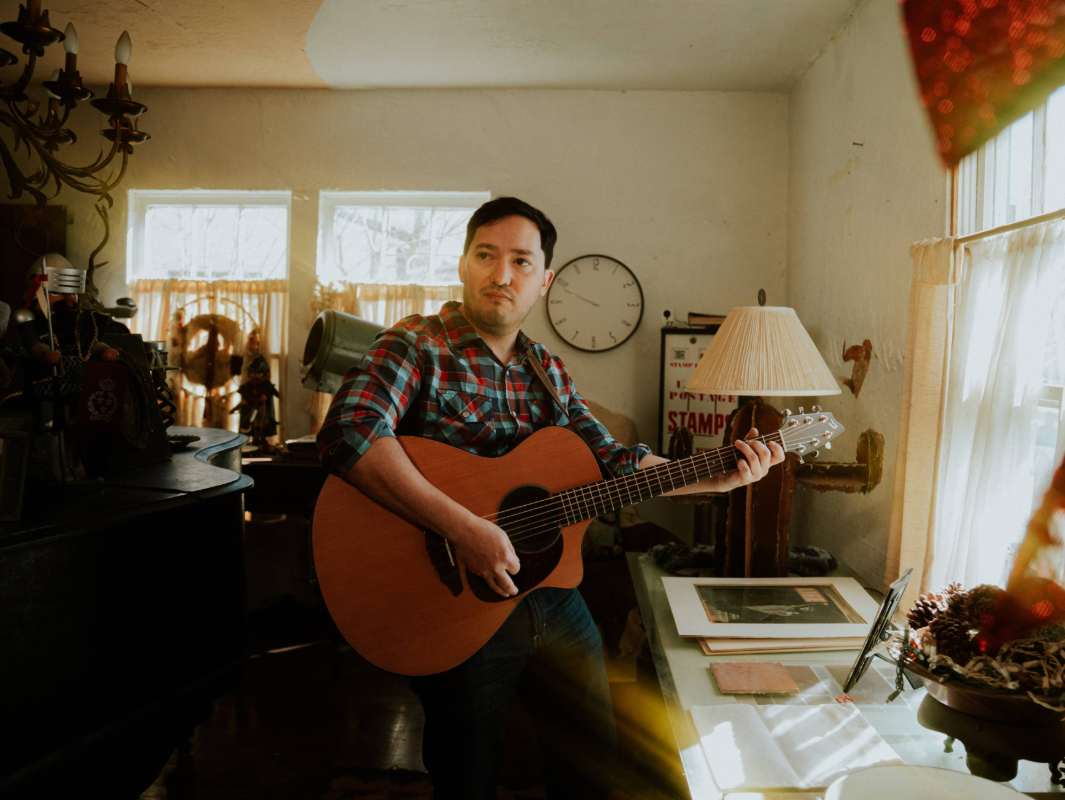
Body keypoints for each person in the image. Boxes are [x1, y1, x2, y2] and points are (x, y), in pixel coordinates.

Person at [316, 196, 784, 799]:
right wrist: (464, 529)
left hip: (552, 595)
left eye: (520, 260)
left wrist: (716, 478)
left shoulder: (549, 370)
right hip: (452, 597)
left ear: (545, 280)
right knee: (469, 777)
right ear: (463, 264)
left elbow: (615, 461)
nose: (501, 274)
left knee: (591, 762)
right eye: (486, 255)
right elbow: (350, 432)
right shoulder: (415, 345)